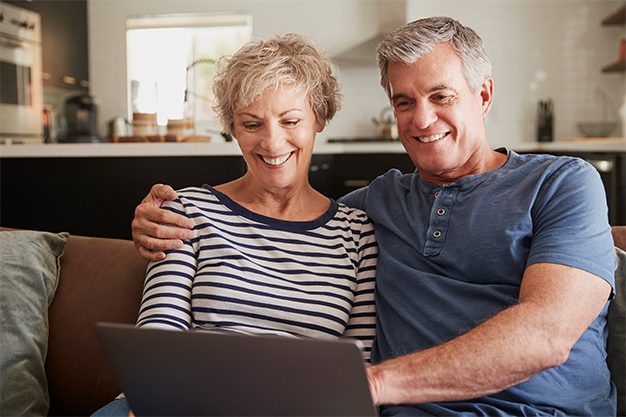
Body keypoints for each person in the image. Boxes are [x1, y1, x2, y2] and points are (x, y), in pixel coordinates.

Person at [132, 17, 617, 416]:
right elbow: (284, 221)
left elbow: (547, 334)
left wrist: (375, 383)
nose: (421, 120)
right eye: (403, 102)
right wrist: (153, 219)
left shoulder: (562, 183)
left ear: (484, 95)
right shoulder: (374, 207)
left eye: (441, 96)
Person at [94, 33, 377, 416]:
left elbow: (358, 374)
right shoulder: (188, 209)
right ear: (232, 126)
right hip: (180, 403)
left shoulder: (357, 233)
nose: (272, 143)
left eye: (290, 120)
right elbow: (159, 334)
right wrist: (153, 397)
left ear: (319, 119)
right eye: (251, 124)